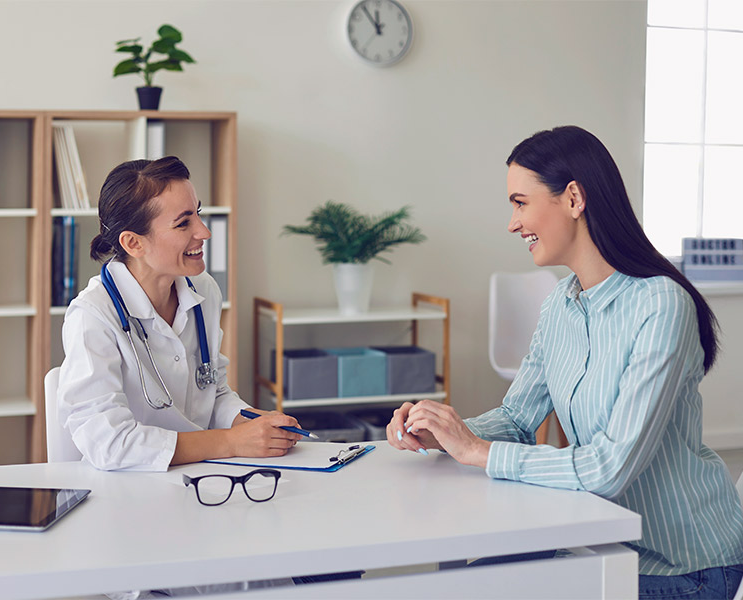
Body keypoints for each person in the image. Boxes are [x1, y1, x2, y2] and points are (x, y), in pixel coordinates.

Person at [387, 126, 743, 599]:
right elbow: (517, 419)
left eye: (520, 202)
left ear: (573, 198)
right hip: (601, 541)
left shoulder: (661, 305)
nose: (512, 223)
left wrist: (477, 451)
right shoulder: (561, 303)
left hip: (683, 568)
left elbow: (611, 467)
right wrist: (448, 434)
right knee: (467, 583)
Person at [58, 155, 302, 472]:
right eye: (183, 222)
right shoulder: (93, 315)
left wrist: (255, 423)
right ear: (133, 243)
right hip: (128, 491)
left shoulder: (204, 290)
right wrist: (232, 442)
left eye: (197, 213)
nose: (204, 232)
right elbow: (110, 443)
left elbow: (213, 394)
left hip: (200, 476)